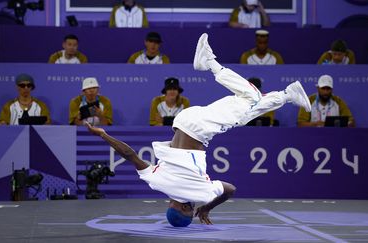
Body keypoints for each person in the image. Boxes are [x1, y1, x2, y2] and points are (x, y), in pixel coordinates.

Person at [87, 33, 311, 227]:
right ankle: (288, 94)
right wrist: (103, 134)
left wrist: (206, 208)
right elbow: (129, 154)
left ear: (186, 210)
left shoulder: (200, 193)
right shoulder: (157, 182)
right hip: (183, 120)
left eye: (189, 212)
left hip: (201, 130)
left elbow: (230, 189)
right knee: (245, 110)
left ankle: (210, 63)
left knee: (250, 98)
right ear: (171, 205)